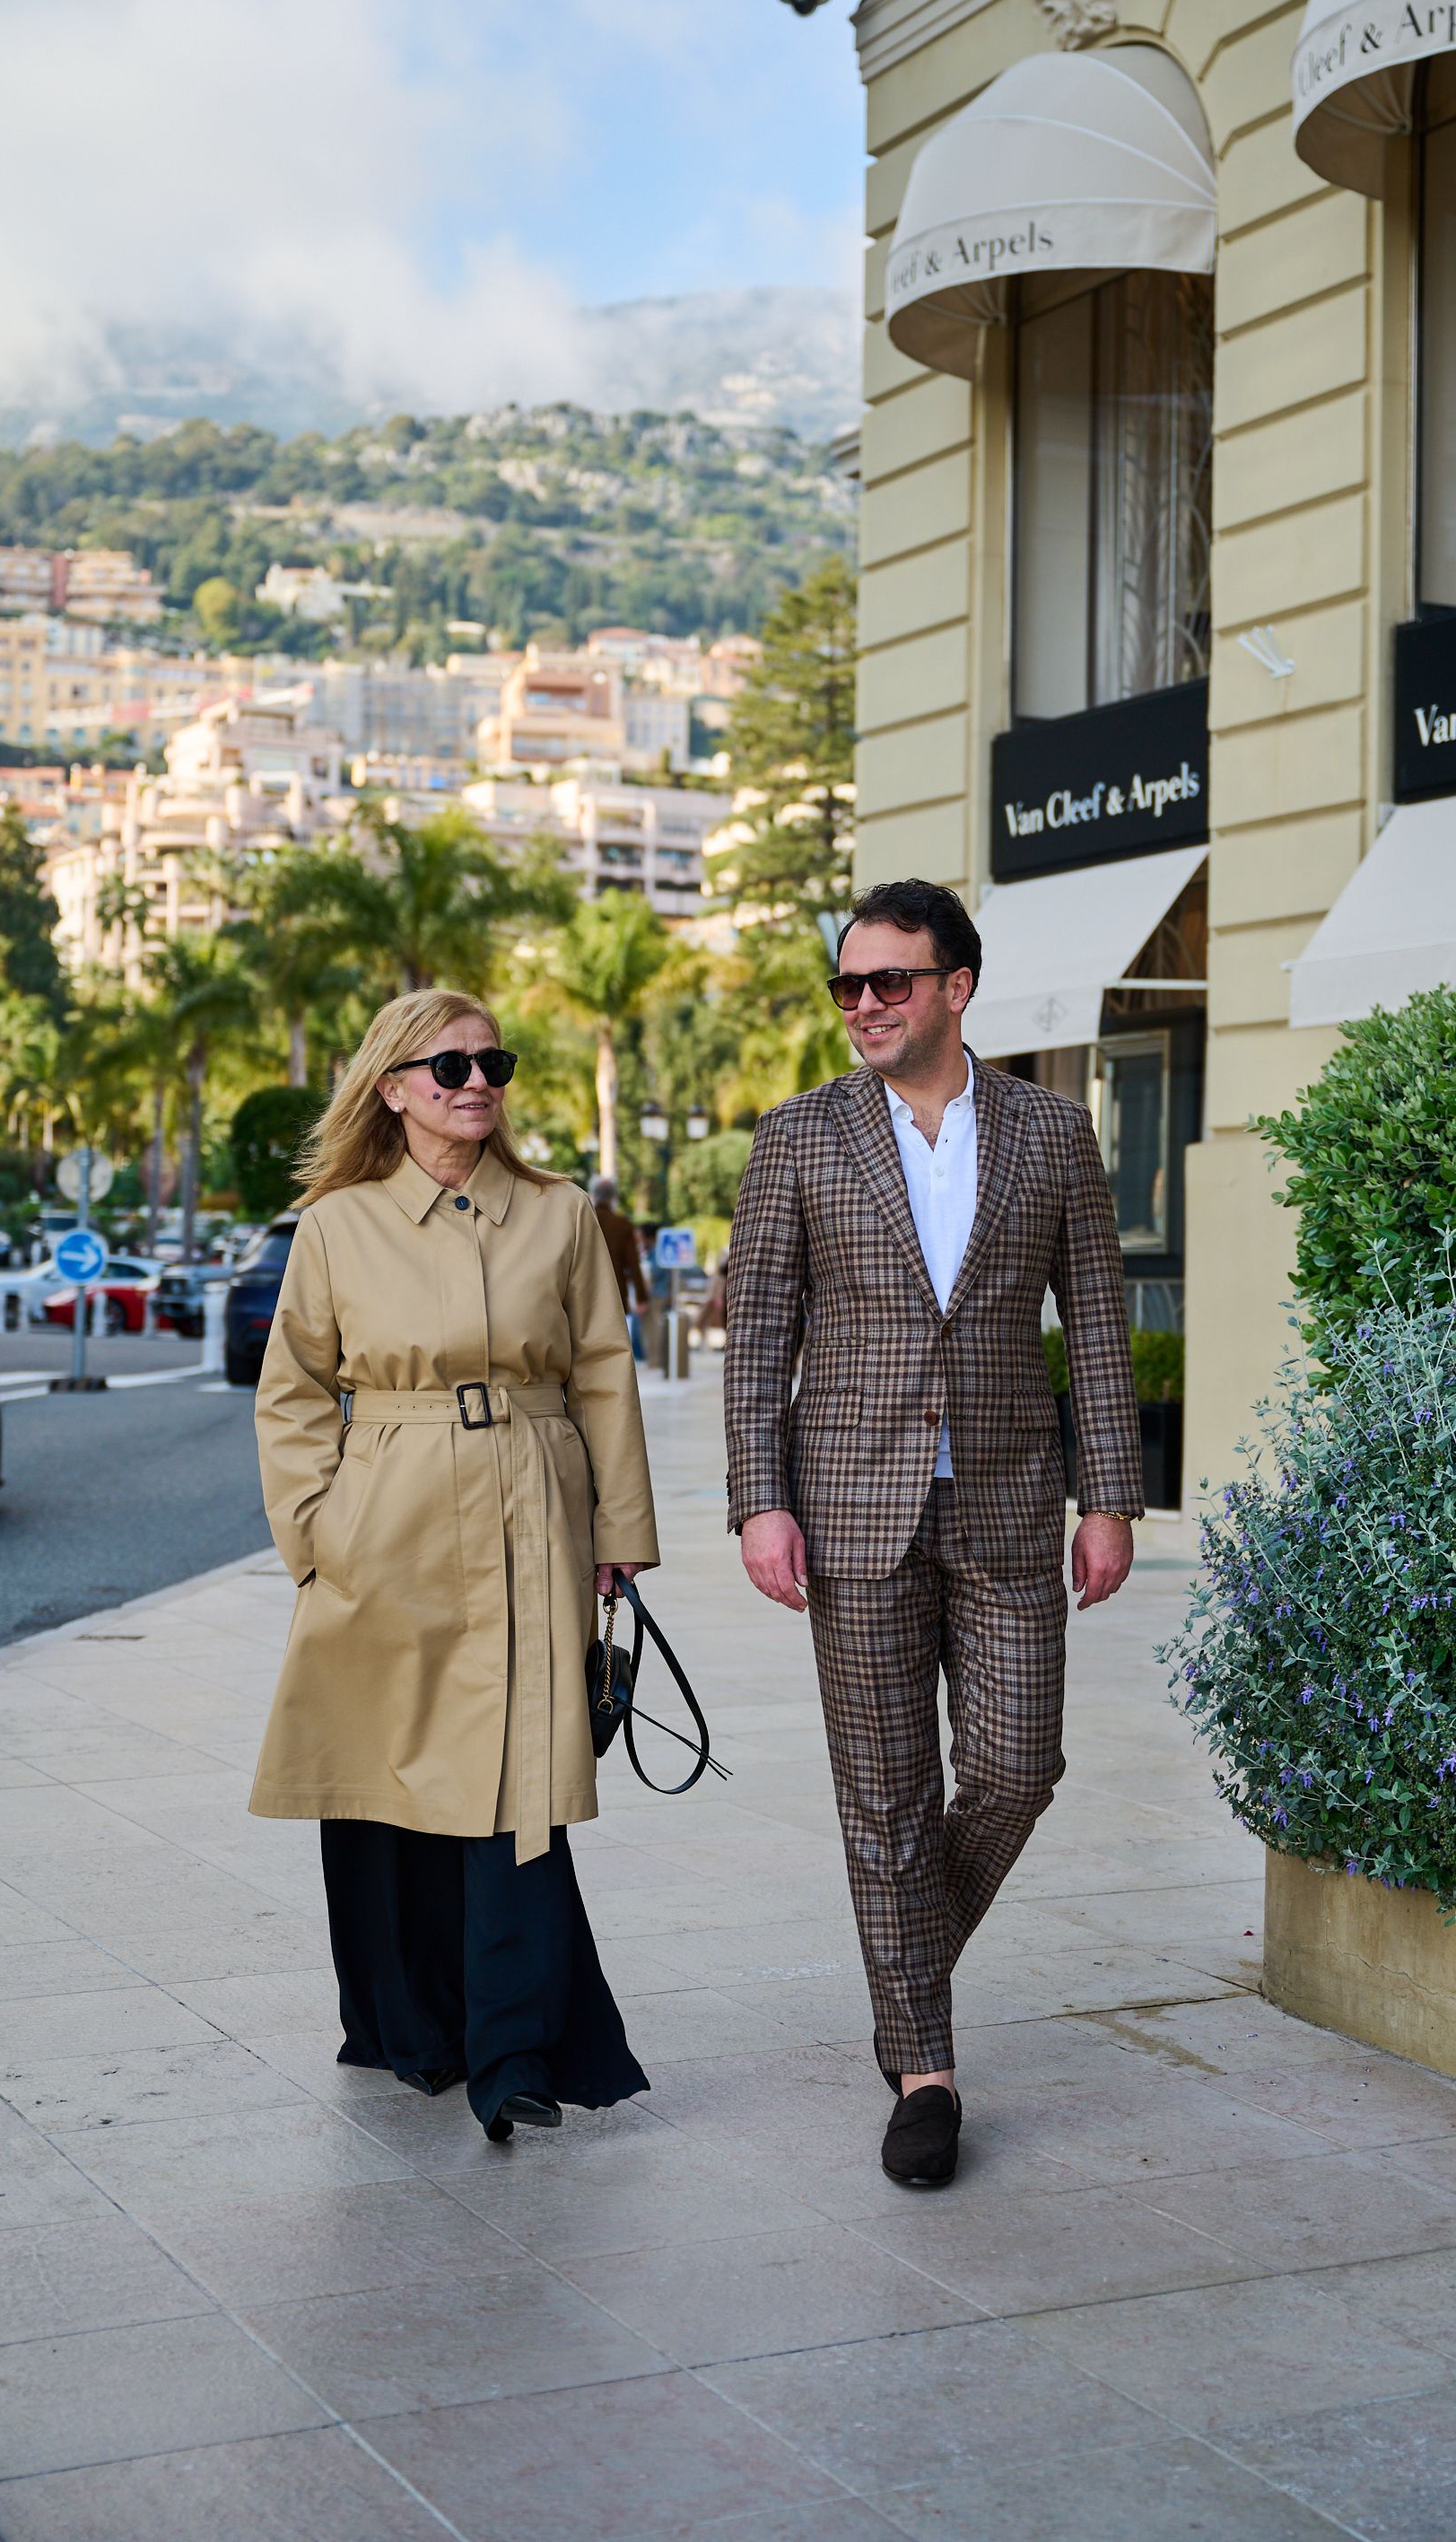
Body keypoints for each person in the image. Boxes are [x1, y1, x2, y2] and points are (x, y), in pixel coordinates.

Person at [724, 879, 1143, 2189]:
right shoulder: (798, 1137)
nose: (863, 1005)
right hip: (849, 1502)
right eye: (847, 985)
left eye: (889, 981)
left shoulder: (1054, 1131)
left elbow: (1098, 1319)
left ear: (957, 985)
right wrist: (759, 1497)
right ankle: (925, 2071)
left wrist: (1112, 1496)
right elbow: (759, 1341)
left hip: (1012, 1499)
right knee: (885, 1798)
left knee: (1018, 1770)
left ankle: (900, 1979)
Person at [250, 988, 658, 2141]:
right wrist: (318, 1536)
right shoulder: (336, 1226)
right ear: (392, 1088)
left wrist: (617, 1538)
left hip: (532, 1508)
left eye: (492, 1064)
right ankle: (408, 2027)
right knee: (387, 1784)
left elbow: (601, 1375)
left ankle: (515, 2048)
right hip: (385, 1518)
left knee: (522, 1785)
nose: (475, 1083)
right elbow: (289, 1397)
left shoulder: (559, 1213)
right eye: (448, 1067)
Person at [590, 1174, 649, 1358]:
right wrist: (641, 1296)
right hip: (614, 1288)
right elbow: (633, 1263)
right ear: (613, 1197)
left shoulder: (582, 1219)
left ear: (594, 1195)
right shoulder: (622, 1224)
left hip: (584, 1288)